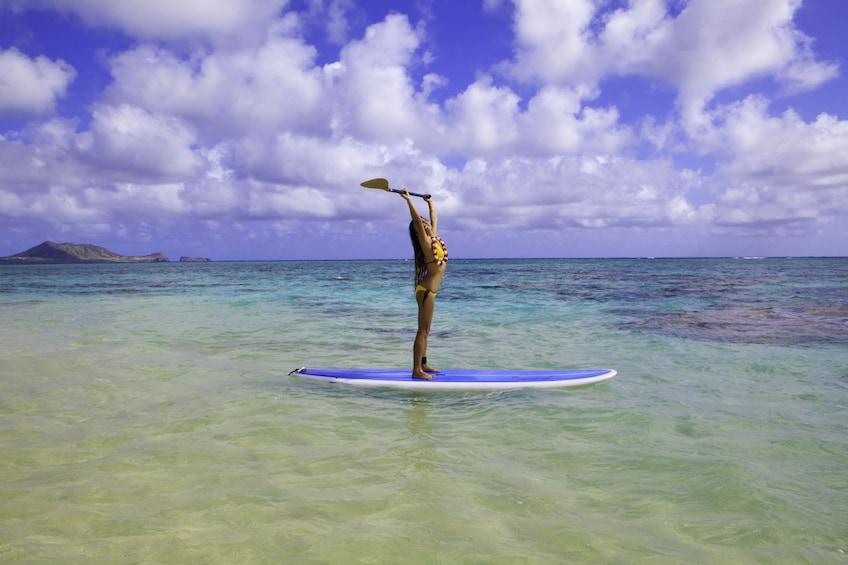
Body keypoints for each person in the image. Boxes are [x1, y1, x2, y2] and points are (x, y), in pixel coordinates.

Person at [400, 188, 448, 380]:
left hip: (430, 291)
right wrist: (408, 200)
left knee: (427, 330)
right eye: (423, 224)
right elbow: (417, 222)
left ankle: (423, 364)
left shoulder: (434, 237)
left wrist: (430, 203)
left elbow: (434, 218)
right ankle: (416, 370)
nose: (427, 224)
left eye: (426, 222)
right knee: (423, 330)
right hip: (426, 291)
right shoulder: (426, 241)